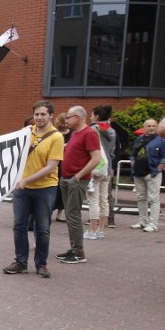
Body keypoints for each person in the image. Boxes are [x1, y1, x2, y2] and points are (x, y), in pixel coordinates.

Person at [2, 100, 64, 278]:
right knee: (19, 226)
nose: (39, 118)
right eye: (36, 114)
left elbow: (51, 167)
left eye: (43, 114)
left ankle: (41, 264)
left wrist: (26, 180)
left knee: (43, 228)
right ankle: (21, 261)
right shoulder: (27, 133)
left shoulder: (56, 137)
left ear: (51, 115)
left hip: (45, 188)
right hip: (23, 188)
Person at [56, 106, 101, 264]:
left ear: (78, 117)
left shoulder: (89, 133)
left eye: (69, 117)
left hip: (76, 180)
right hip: (68, 179)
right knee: (70, 215)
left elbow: (96, 158)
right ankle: (74, 247)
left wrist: (78, 176)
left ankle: (78, 253)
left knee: (73, 215)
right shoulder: (76, 134)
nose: (66, 120)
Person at [129, 118, 165, 233]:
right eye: (149, 126)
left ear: (157, 127)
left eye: (154, 126)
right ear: (145, 127)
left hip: (152, 174)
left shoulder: (163, 141)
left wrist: (156, 171)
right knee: (141, 198)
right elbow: (133, 155)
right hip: (138, 173)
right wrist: (133, 167)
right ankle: (143, 221)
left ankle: (153, 224)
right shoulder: (139, 139)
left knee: (154, 199)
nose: (151, 128)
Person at [85, 105, 116, 240]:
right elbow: (113, 152)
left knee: (93, 200)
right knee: (104, 199)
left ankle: (91, 230)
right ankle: (100, 229)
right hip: (107, 168)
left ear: (97, 116)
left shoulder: (92, 129)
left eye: (92, 114)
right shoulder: (112, 131)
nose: (90, 117)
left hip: (95, 167)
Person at [53, 112, 73, 222]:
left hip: (65, 163)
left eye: (67, 121)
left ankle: (61, 212)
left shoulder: (72, 134)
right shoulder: (55, 133)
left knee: (62, 189)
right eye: (64, 121)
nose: (66, 124)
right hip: (55, 162)